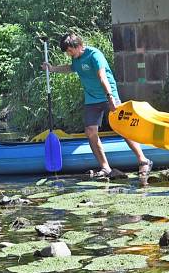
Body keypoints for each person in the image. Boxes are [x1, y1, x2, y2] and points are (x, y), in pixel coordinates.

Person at [42, 32, 152, 178]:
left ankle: (143, 161)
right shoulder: (76, 58)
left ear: (79, 46)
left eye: (69, 50)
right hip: (91, 100)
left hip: (108, 96)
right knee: (90, 132)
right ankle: (105, 168)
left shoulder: (94, 55)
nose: (68, 54)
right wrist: (53, 68)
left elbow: (102, 77)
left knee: (122, 128)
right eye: (67, 51)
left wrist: (110, 97)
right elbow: (71, 68)